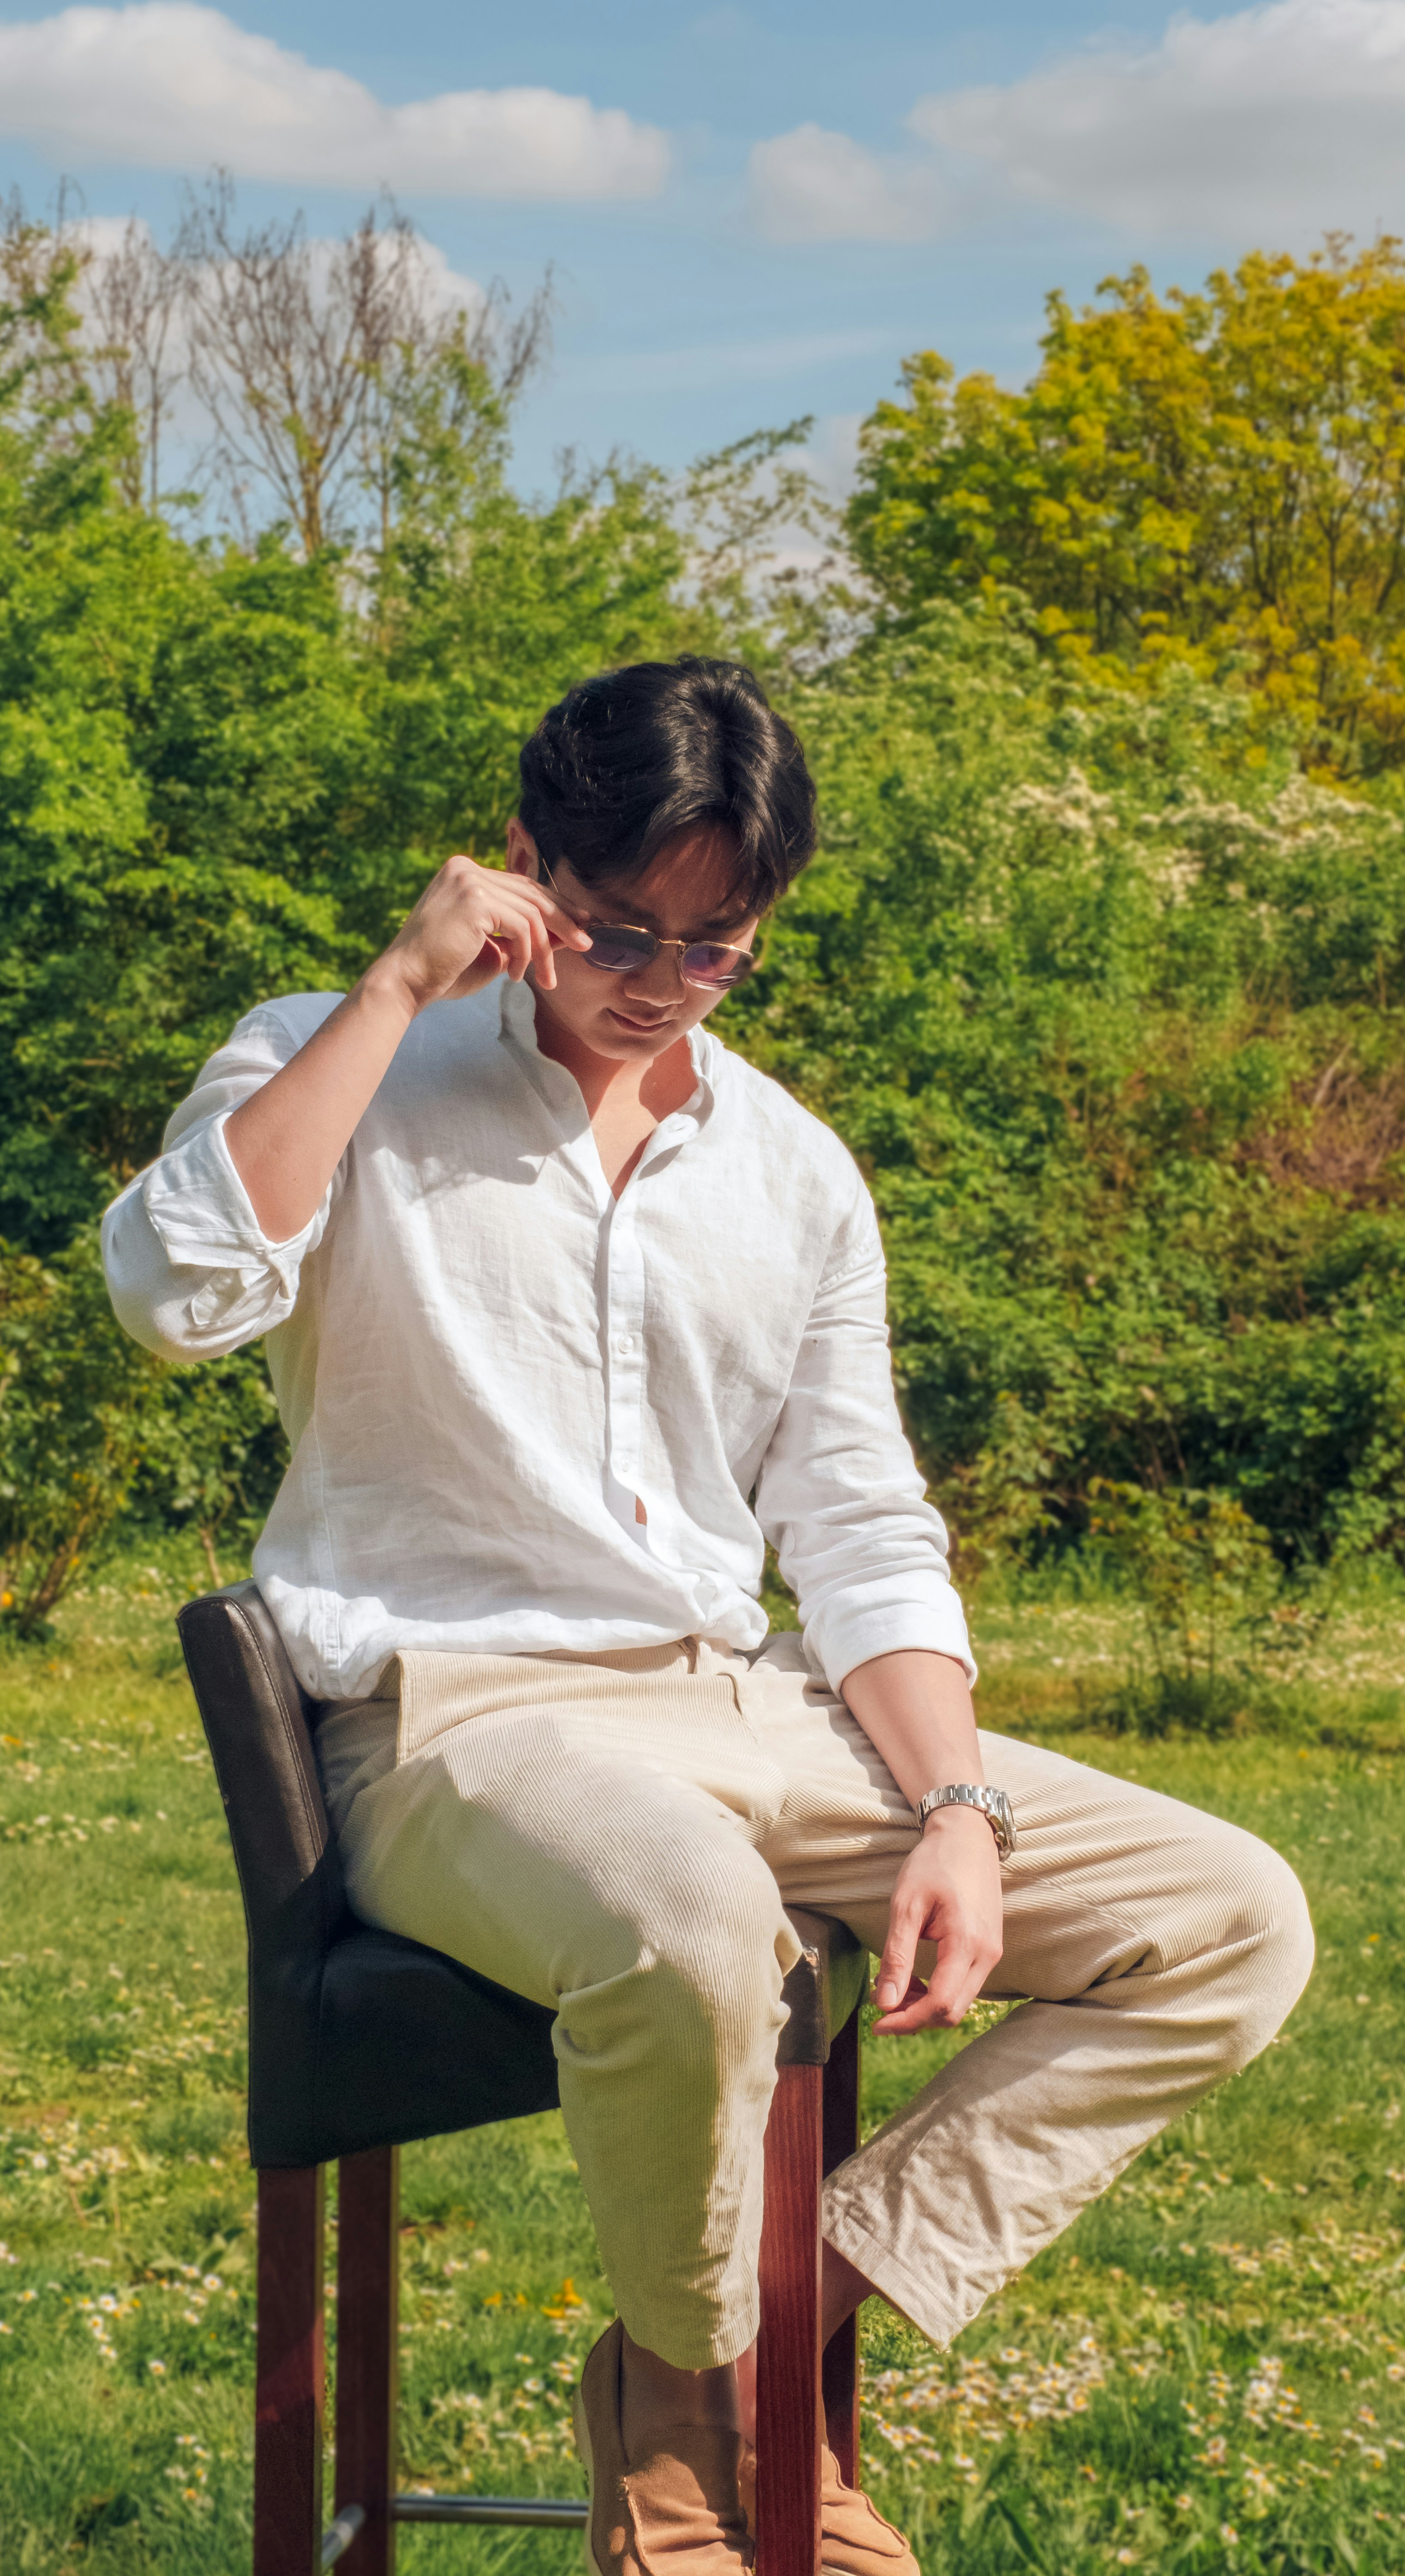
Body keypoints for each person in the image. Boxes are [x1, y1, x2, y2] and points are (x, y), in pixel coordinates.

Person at [103, 656, 1315, 2576]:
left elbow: (860, 1529)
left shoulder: (796, 1171)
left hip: (747, 1706)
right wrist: (399, 987)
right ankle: (699, 2421)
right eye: (618, 929)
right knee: (689, 1926)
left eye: (718, 943)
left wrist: (956, 1813)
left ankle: (730, 2364)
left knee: (1231, 1917)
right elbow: (175, 1295)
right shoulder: (339, 1053)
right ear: (524, 866)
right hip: (459, 1720)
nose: (662, 978)